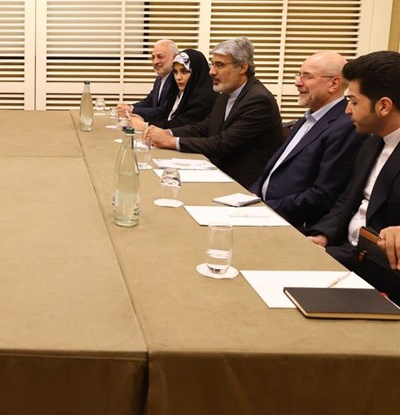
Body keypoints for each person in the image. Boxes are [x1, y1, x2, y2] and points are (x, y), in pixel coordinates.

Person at [304, 51, 400, 302]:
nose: (347, 110)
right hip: (343, 252)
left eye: (354, 102)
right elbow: (348, 198)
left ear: (383, 106)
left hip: (377, 270)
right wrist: (323, 235)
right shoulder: (371, 142)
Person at [144, 37, 283, 188]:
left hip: (243, 185)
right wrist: (168, 133)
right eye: (212, 65)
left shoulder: (258, 100)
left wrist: (171, 141)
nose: (211, 72)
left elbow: (223, 144)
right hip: (219, 173)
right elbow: (204, 127)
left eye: (220, 65)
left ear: (242, 67)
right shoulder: (226, 93)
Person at [250, 51, 365, 230]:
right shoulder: (307, 119)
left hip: (293, 224)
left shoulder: (345, 126)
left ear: (334, 83)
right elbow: (273, 170)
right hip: (262, 211)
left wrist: (265, 208)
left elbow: (322, 195)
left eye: (307, 76)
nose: (298, 82)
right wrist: (250, 197)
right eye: (298, 74)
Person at [128, 48, 215, 131]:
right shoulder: (178, 91)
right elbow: (165, 113)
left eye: (184, 71)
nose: (178, 77)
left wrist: (146, 125)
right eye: (175, 72)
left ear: (196, 73)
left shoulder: (204, 98)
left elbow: (182, 125)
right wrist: (142, 118)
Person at [116, 39, 178, 121]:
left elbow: (164, 112)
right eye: (153, 57)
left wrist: (132, 111)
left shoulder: (177, 80)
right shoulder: (159, 79)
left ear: (175, 58)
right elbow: (149, 102)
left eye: (160, 57)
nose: (155, 62)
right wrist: (129, 107)